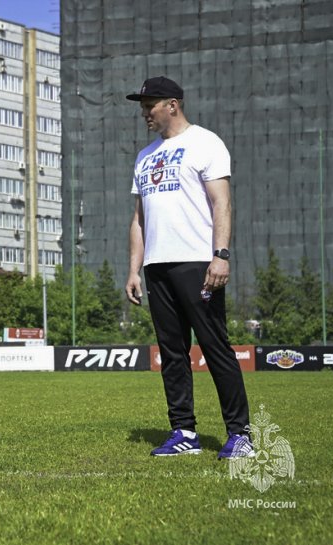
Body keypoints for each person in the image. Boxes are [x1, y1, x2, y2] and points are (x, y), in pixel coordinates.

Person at [124, 76, 254, 459]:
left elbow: (222, 203)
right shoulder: (145, 155)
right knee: (172, 352)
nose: (144, 111)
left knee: (215, 347)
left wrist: (221, 254)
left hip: (198, 262)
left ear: (173, 104)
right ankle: (184, 432)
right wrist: (134, 269)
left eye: (151, 104)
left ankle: (241, 434)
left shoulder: (205, 142)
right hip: (157, 266)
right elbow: (139, 220)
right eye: (142, 105)